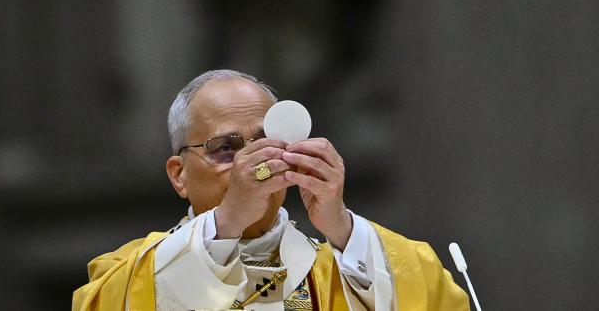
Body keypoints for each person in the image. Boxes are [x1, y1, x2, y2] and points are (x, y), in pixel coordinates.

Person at [72, 69, 470, 311]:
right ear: (179, 175)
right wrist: (228, 221)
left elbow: (432, 298)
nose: (254, 164)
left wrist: (341, 227)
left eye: (269, 143)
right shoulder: (131, 274)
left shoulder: (343, 270)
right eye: (226, 149)